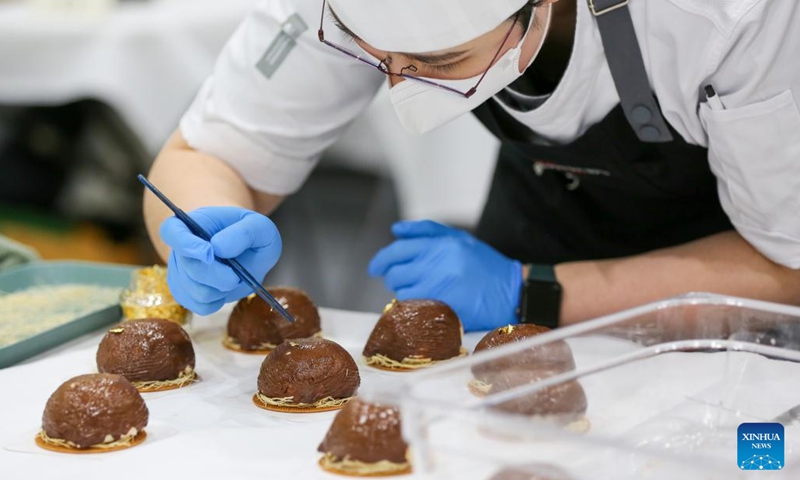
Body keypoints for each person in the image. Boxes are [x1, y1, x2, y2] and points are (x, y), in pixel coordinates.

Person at [144, 0, 800, 332]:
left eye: (442, 64)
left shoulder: (731, 18)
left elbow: (788, 264)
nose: (401, 94)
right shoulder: (339, 11)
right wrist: (205, 225)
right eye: (374, 58)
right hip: (539, 232)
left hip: (741, 319)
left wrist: (533, 291)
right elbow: (204, 153)